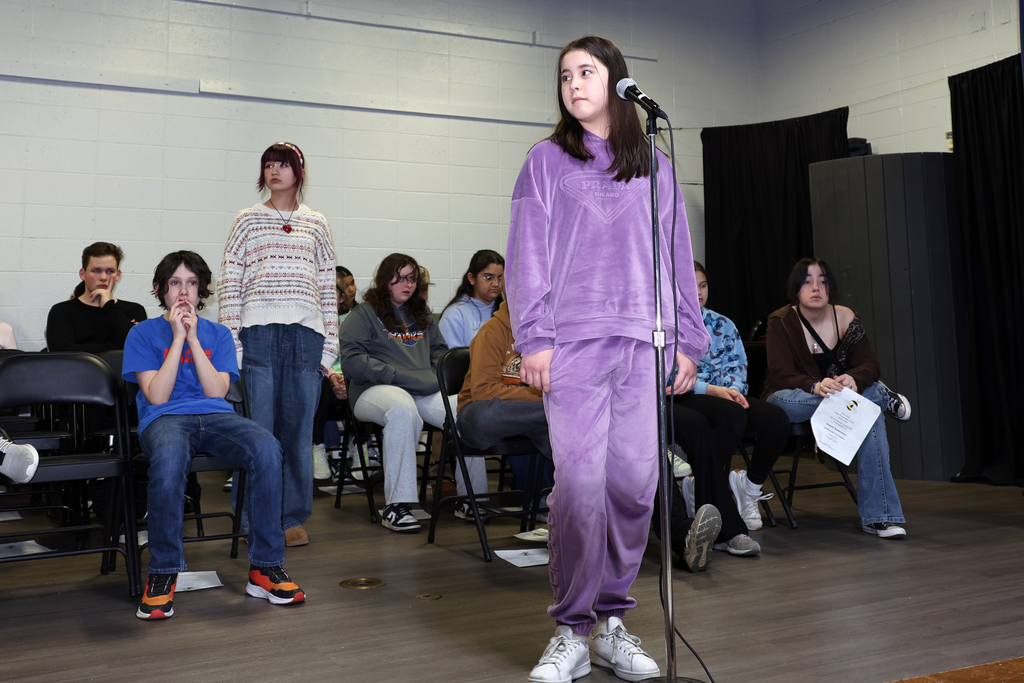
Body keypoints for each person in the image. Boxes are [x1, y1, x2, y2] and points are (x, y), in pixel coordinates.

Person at [507, 36, 709, 683]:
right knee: (580, 487)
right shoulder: (544, 161)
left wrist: (687, 338)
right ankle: (571, 628)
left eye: (585, 71)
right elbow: (526, 253)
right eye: (564, 75)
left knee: (634, 484)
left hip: (642, 344)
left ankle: (611, 623)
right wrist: (533, 336)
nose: (572, 83)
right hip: (571, 347)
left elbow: (678, 257)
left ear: (618, 81)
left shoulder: (655, 163)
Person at [123, 251, 304, 620]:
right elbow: (156, 395)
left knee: (267, 448)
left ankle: (264, 568)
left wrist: (192, 340)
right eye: (175, 283)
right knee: (171, 459)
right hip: (165, 419)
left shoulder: (219, 333)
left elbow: (216, 392)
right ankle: (163, 572)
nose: (184, 293)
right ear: (160, 289)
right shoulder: (141, 332)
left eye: (191, 283)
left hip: (217, 417)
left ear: (203, 289)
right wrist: (176, 338)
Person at [218, 142, 338, 548]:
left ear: (298, 172)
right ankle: (253, 516)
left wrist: (330, 348)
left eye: (282, 165)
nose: (274, 171)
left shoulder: (317, 223)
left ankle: (290, 516)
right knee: (257, 432)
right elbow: (230, 281)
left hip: (306, 337)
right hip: (258, 335)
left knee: (298, 435)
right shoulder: (247, 220)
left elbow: (327, 285)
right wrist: (232, 343)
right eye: (268, 164)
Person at [338, 253, 488, 532]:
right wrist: (394, 375)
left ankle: (472, 498)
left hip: (421, 389)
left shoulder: (423, 316)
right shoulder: (364, 314)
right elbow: (353, 362)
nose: (407, 284)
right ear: (385, 280)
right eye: (399, 278)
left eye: (411, 278)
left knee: (466, 411)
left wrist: (428, 377)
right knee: (402, 409)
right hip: (375, 390)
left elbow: (440, 355)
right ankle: (397, 506)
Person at [764, 257, 911, 539]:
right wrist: (815, 385)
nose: (816, 287)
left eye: (822, 281)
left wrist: (855, 378)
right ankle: (881, 394)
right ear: (795, 288)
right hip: (795, 398)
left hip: (842, 400)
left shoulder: (845, 316)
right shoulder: (780, 321)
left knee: (868, 414)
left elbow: (869, 363)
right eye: (807, 281)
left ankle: (879, 519)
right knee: (863, 406)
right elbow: (780, 374)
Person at [673, 261, 790, 546]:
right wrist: (713, 390)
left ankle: (747, 487)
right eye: (692, 286)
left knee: (776, 419)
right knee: (732, 416)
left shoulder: (722, 323)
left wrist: (735, 391)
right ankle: (710, 498)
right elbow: (669, 378)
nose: (699, 292)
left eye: (703, 285)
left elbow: (737, 366)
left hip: (726, 396)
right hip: (685, 396)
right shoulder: (668, 325)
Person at [46, 242, 147, 352]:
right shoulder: (62, 311)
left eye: (110, 271)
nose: (103, 277)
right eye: (96, 271)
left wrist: (109, 307)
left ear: (118, 275)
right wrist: (120, 346)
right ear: (82, 274)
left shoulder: (133, 310)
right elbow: (62, 352)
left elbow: (141, 346)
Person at [311, 266, 356, 480]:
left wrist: (346, 378)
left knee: (365, 382)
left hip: (351, 376)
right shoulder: (313, 323)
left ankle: (360, 445)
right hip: (325, 377)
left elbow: (361, 355)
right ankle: (317, 446)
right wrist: (332, 377)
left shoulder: (354, 320)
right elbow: (312, 358)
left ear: (341, 297)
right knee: (318, 386)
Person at [439, 250, 505, 348]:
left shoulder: (508, 313)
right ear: (472, 278)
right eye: (488, 278)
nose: (496, 283)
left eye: (500, 278)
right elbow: (453, 359)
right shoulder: (455, 314)